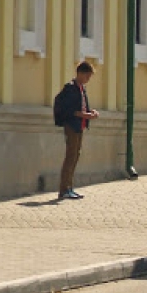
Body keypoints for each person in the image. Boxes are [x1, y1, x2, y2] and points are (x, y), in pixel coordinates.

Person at [58, 61, 99, 201]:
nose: (88, 79)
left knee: (76, 155)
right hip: (72, 126)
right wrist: (85, 115)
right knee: (70, 156)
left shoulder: (82, 88)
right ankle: (64, 189)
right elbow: (70, 110)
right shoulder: (70, 88)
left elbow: (82, 107)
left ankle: (69, 187)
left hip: (80, 126)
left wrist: (90, 112)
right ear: (80, 73)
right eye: (87, 76)